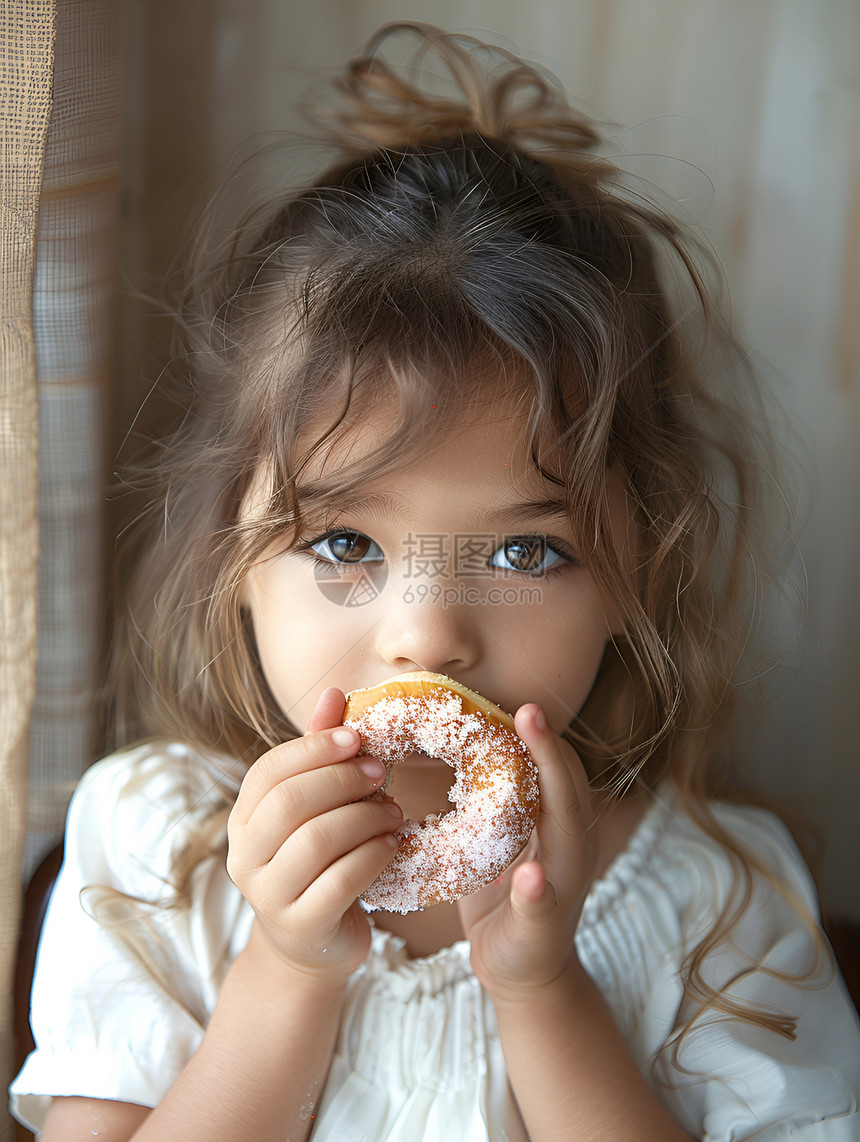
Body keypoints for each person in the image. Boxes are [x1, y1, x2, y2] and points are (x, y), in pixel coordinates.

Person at [10, 21, 860, 1142]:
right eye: (346, 544)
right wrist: (286, 967)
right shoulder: (154, 853)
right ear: (236, 563)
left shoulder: (723, 905)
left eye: (524, 552)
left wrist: (541, 989)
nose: (424, 638)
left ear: (634, 576)